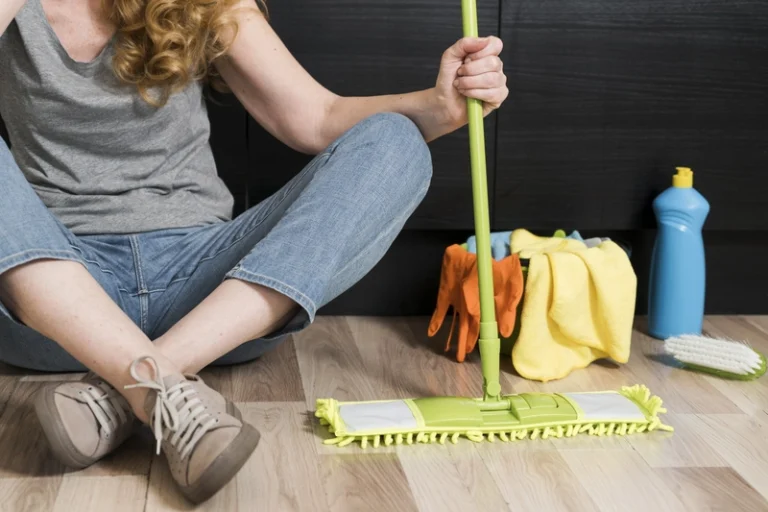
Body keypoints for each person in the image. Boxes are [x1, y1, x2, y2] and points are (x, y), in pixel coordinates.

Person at [0, 0, 508, 503]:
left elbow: (317, 118)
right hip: (58, 299)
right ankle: (159, 389)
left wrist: (439, 106)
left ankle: (134, 383)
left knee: (396, 141)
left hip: (209, 294)